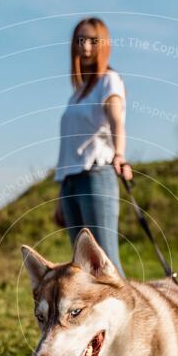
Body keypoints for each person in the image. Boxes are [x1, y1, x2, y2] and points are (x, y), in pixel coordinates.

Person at [53, 17, 132, 276]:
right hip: (70, 182)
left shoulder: (108, 81)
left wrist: (120, 155)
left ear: (103, 45)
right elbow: (69, 145)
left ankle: (129, 317)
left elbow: (116, 122)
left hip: (95, 176)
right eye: (80, 40)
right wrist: (60, 197)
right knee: (82, 266)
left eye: (93, 41)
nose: (86, 46)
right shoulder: (76, 94)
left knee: (105, 261)